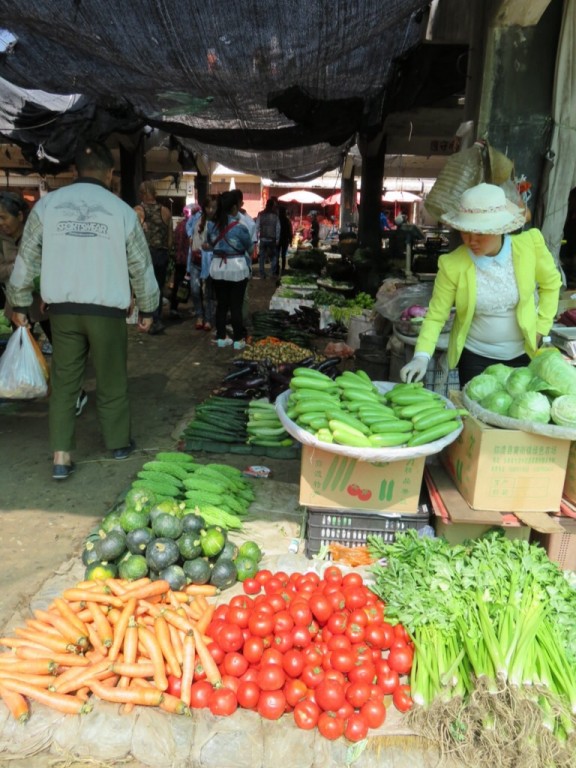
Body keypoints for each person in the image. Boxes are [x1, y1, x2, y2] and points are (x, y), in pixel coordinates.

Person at [7, 140, 159, 480]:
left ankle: (61, 457)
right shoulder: (121, 211)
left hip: (62, 311)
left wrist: (18, 301)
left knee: (64, 382)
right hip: (106, 312)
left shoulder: (49, 206)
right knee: (111, 378)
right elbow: (140, 265)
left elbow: (27, 258)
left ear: (75, 172)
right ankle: (118, 444)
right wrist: (148, 308)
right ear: (109, 173)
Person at [400, 183, 562, 387]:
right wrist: (421, 356)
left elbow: (552, 284)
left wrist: (541, 327)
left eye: (480, 233)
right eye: (465, 232)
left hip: (524, 354)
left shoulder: (530, 245)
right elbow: (436, 316)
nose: (471, 240)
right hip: (475, 358)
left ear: (498, 229)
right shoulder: (452, 265)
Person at [205, 191, 253, 349]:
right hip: (237, 268)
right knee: (236, 306)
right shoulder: (240, 227)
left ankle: (221, 337)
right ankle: (238, 340)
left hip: (217, 267)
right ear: (234, 207)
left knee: (222, 305)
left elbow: (210, 243)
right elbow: (249, 247)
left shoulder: (212, 225)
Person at [134, 181, 173, 335]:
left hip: (146, 254)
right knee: (158, 287)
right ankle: (157, 319)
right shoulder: (166, 212)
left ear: (143, 193)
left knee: (145, 286)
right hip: (162, 254)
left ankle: (147, 318)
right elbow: (170, 239)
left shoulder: (138, 210)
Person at [188, 195, 218, 331]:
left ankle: (208, 319)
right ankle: (199, 315)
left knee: (209, 292)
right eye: (208, 207)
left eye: (213, 207)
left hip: (209, 262)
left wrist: (210, 246)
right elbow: (189, 230)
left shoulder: (218, 223)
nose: (210, 210)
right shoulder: (196, 218)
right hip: (195, 259)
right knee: (195, 289)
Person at [169, 208, 191, 321]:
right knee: (187, 284)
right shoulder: (190, 226)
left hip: (179, 259)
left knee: (178, 283)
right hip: (187, 259)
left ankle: (174, 308)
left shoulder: (179, 226)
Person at [256, 197, 280, 278]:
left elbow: (257, 226)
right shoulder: (275, 215)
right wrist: (277, 238)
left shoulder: (261, 214)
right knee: (273, 256)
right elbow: (278, 228)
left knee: (262, 257)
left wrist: (256, 237)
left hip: (262, 238)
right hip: (272, 239)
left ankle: (262, 273)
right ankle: (272, 273)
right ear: (273, 206)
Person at [278, 205, 293, 274]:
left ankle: (276, 268)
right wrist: (290, 240)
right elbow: (290, 231)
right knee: (283, 255)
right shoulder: (287, 221)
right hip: (285, 239)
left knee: (277, 254)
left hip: (278, 239)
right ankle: (283, 268)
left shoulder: (277, 220)